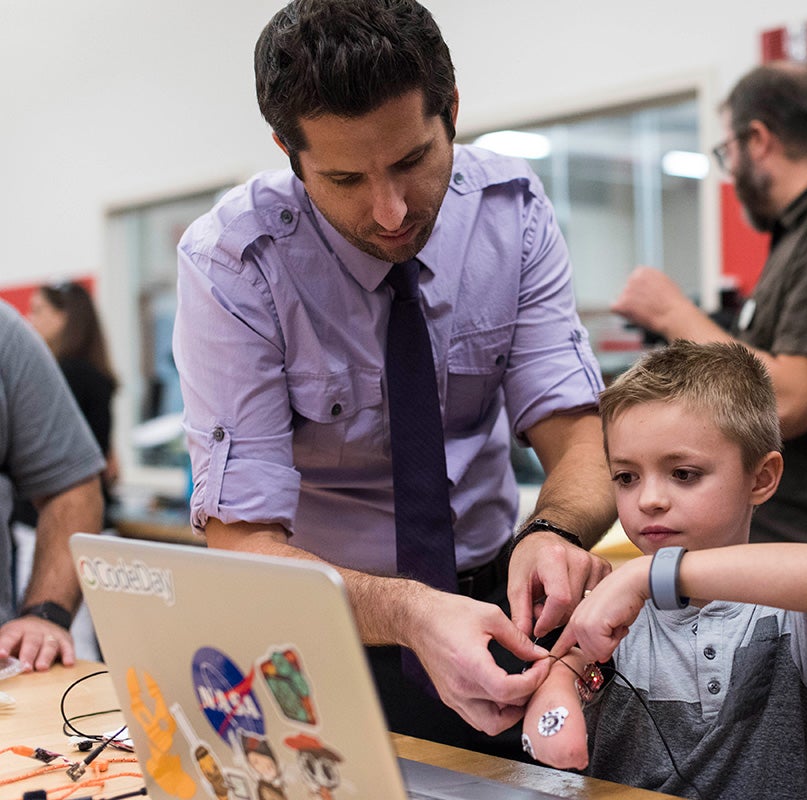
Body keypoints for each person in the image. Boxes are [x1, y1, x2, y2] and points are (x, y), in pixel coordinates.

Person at [171, 0, 614, 758]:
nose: (391, 210)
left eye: (412, 160)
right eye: (344, 178)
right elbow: (241, 540)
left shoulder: (512, 215)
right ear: (287, 150)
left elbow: (581, 442)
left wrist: (553, 532)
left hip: (499, 610)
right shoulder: (233, 264)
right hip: (315, 629)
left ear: (451, 112)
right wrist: (410, 613)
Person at [612, 63, 807, 799]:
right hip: (760, 569)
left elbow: (793, 396)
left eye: (726, 153)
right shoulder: (797, 239)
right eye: (628, 475)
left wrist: (672, 314)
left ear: (758, 139)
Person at [521, 341, 807, 799]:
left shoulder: (791, 611)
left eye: (684, 474)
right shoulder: (607, 609)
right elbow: (557, 687)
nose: (649, 499)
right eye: (626, 477)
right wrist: (557, 695)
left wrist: (647, 576)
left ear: (761, 478)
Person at [0, 300, 105, 671]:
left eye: (42, 309)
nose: (34, 317)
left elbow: (72, 484)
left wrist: (45, 614)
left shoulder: (5, 335)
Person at [21, 281, 119, 527]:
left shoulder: (64, 376)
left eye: (38, 310)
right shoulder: (95, 375)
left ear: (63, 317)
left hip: (53, 518)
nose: (29, 318)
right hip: (85, 513)